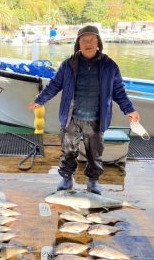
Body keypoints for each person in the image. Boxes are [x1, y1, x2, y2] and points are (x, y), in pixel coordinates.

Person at [29, 25, 140, 195]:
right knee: (68, 151)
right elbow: (54, 85)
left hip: (96, 119)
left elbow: (118, 91)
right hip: (71, 118)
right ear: (78, 43)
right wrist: (40, 100)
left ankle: (93, 180)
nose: (87, 43)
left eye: (91, 40)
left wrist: (130, 110)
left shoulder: (110, 66)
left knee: (94, 154)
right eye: (83, 40)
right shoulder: (68, 64)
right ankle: (66, 178)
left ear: (98, 42)